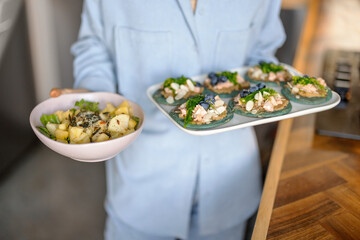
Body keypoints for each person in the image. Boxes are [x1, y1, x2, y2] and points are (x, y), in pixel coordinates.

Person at [55, 1, 285, 239]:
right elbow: (95, 48)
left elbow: (262, 51)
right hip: (141, 186)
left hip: (229, 180)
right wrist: (95, 100)